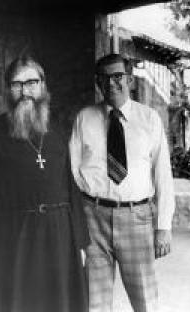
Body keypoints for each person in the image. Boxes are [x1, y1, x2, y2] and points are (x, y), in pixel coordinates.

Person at [0, 55, 90, 312]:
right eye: (17, 84)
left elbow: (70, 187)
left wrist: (81, 241)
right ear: (8, 89)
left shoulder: (58, 132)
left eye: (31, 82)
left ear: (42, 86)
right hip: (16, 236)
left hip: (60, 235)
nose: (25, 91)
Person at [69, 53, 175, 312]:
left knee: (145, 301)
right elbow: (71, 173)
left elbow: (163, 174)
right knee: (95, 301)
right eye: (104, 79)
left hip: (136, 217)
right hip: (93, 218)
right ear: (98, 83)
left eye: (118, 77)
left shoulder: (149, 119)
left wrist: (163, 227)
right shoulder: (84, 118)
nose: (111, 83)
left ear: (130, 80)